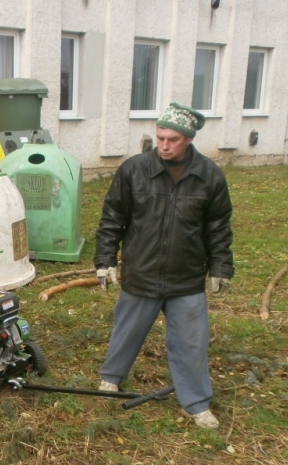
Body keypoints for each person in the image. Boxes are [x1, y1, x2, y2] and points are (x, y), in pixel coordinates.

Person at [94, 102, 234, 429]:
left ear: (188, 139)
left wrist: (221, 267)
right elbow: (112, 219)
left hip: (185, 277)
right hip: (141, 272)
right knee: (126, 332)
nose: (165, 146)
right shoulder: (134, 170)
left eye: (173, 139)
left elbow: (218, 227)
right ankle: (111, 379)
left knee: (191, 343)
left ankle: (196, 403)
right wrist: (105, 260)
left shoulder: (209, 176)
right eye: (160, 138)